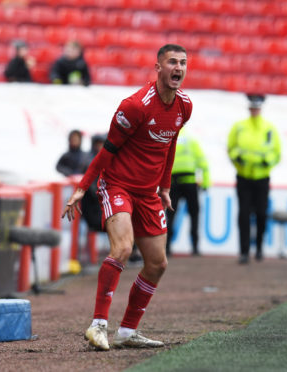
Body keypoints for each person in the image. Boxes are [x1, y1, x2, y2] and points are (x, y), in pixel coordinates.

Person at [62, 44, 192, 350]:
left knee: (158, 263)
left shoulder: (184, 106)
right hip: (117, 184)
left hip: (148, 193)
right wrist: (83, 187)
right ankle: (98, 325)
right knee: (122, 248)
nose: (179, 67)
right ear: (158, 67)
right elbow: (106, 150)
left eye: (183, 63)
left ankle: (127, 331)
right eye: (172, 62)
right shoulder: (135, 105)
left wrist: (164, 186)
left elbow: (169, 145)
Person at [227, 94, 281, 264]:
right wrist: (237, 157)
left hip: (262, 177)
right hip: (243, 176)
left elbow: (277, 153)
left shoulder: (269, 128)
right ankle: (244, 251)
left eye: (257, 108)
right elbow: (231, 147)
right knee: (243, 214)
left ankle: (258, 248)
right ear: (249, 109)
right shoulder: (239, 127)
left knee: (261, 214)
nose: (254, 110)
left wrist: (268, 162)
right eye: (252, 107)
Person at [166, 127, 210, 257]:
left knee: (171, 215)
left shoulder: (169, 139)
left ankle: (167, 247)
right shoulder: (191, 140)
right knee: (194, 214)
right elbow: (203, 162)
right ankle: (195, 247)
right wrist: (206, 182)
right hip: (190, 181)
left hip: (173, 182)